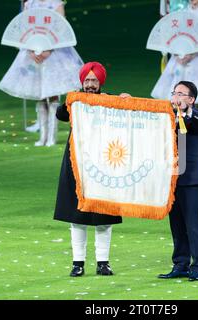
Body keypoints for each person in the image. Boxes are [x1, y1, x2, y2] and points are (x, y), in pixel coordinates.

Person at [54, 62, 123, 277]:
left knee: (103, 215)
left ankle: (103, 262)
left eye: (94, 81)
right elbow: (60, 114)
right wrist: (72, 100)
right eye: (87, 80)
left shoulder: (110, 100)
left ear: (100, 82)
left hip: (104, 163)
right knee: (77, 215)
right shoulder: (74, 100)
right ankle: (78, 263)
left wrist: (126, 102)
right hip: (77, 163)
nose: (90, 84)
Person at [0, 0, 83, 147]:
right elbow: (24, 28)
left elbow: (60, 29)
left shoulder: (56, 4)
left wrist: (48, 49)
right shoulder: (30, 4)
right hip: (33, 53)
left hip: (54, 53)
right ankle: (42, 137)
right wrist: (31, 49)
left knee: (52, 94)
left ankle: (52, 137)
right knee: (40, 95)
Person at [158, 81, 198, 281]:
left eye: (181, 94)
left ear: (191, 99)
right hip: (173, 179)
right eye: (174, 93)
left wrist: (186, 110)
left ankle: (197, 267)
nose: (176, 97)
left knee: (194, 225)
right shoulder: (166, 116)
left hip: (194, 180)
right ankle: (180, 264)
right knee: (177, 225)